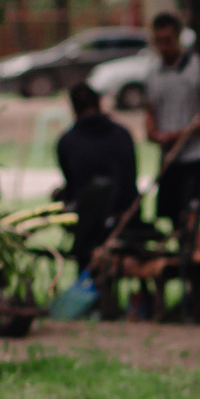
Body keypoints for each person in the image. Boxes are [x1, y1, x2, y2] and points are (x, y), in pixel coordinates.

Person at [54, 81, 138, 273]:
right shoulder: (122, 134)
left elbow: (72, 186)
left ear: (73, 109)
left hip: (89, 224)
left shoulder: (67, 141)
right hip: (127, 216)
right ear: (99, 104)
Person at [143, 11, 200, 238]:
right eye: (158, 41)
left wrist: (182, 134)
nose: (164, 47)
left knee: (190, 218)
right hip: (169, 158)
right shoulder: (153, 73)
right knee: (173, 219)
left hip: (196, 156)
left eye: (168, 41)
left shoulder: (197, 68)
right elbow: (150, 112)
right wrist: (155, 134)